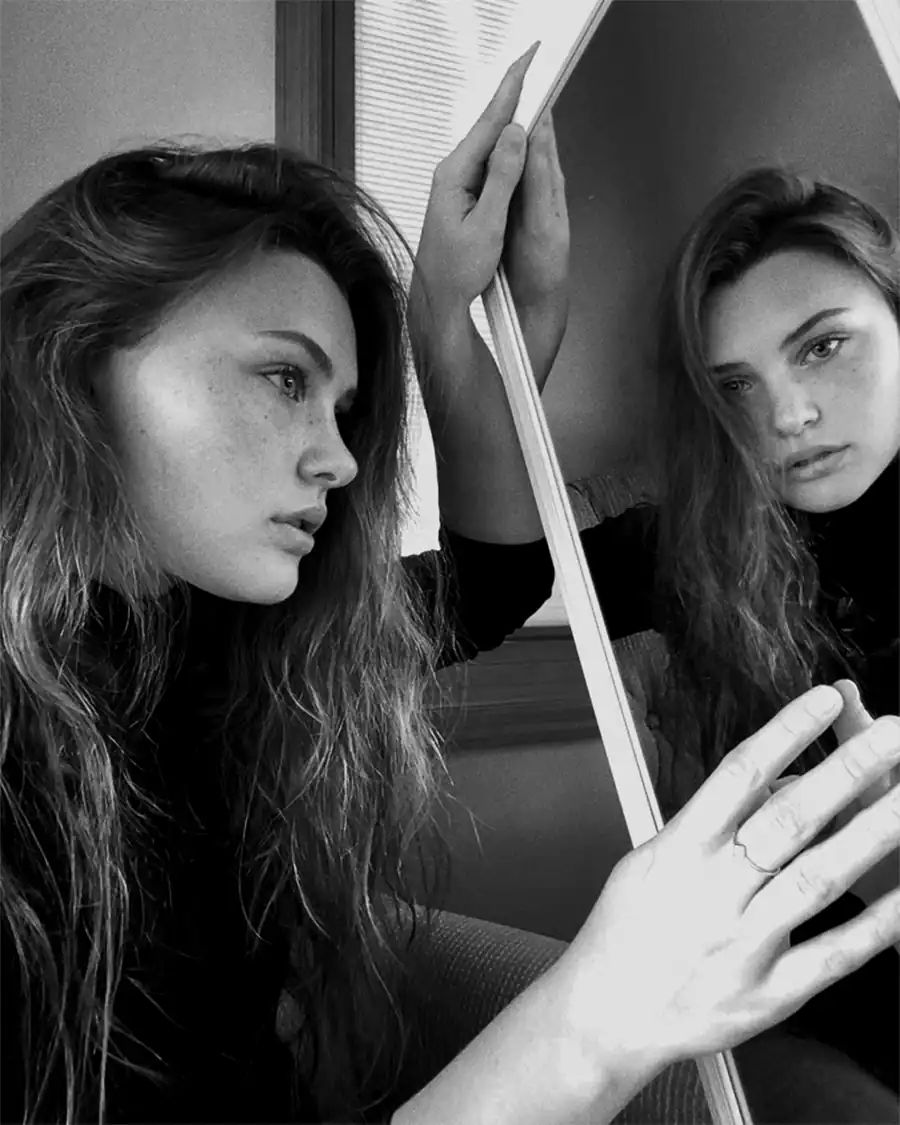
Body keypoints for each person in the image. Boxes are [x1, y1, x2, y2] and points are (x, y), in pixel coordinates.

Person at [2, 46, 899, 1125]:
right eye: (283, 377)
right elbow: (506, 577)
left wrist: (452, 315)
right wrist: (595, 1016)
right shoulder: (43, 744)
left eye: (343, 409)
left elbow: (487, 579)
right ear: (69, 358)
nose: (342, 460)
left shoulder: (222, 634)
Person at [543, 168, 899, 1093]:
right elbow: (441, 603)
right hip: (811, 1008)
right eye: (736, 385)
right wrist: (481, 357)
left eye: (823, 346)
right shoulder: (696, 544)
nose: (787, 418)